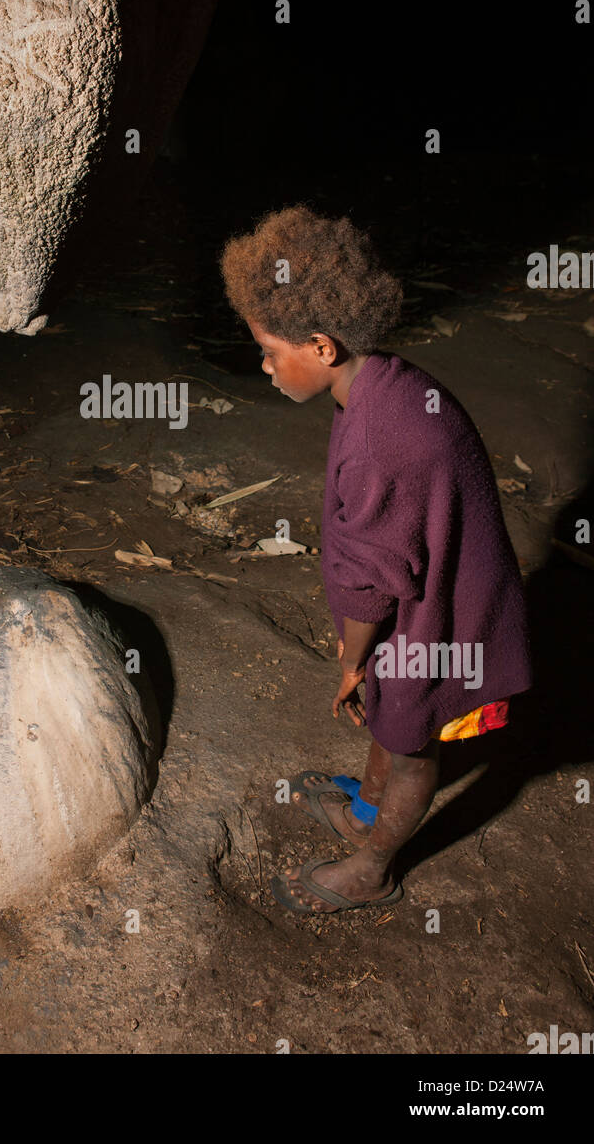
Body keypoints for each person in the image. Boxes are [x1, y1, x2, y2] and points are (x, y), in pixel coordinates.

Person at [219, 205, 533, 913]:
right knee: (392, 717)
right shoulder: (382, 382)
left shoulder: (378, 439)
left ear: (322, 346)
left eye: (270, 350)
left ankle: (373, 866)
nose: (263, 366)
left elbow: (369, 584)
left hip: (448, 626)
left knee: (413, 742)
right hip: (432, 593)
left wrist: (352, 660)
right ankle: (365, 807)